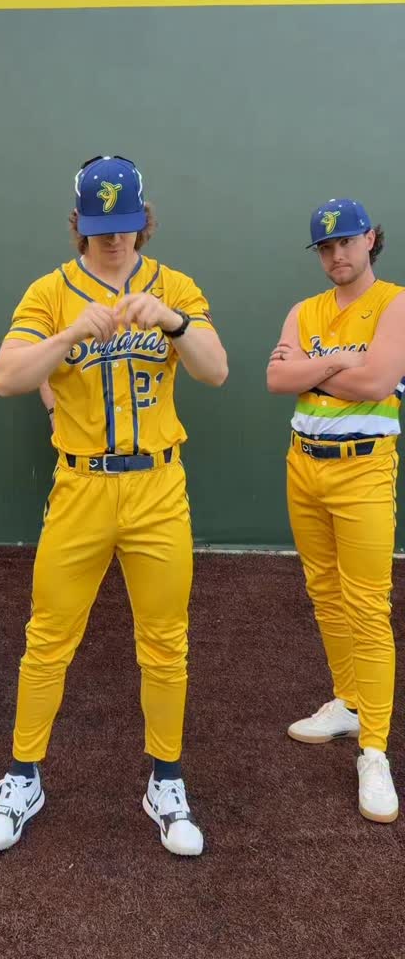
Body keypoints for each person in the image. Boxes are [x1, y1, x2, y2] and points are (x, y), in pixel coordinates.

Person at [0, 154, 228, 856]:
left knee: (166, 640)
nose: (113, 237)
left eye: (124, 223)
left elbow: (216, 370)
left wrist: (174, 322)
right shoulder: (50, 291)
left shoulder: (175, 285)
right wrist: (66, 337)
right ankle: (23, 775)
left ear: (144, 221)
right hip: (82, 485)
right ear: (77, 224)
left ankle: (166, 779)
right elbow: (6, 378)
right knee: (48, 636)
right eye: (98, 225)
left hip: (158, 486)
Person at [267, 198, 405, 823]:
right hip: (304, 463)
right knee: (323, 590)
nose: (336, 255)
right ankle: (348, 702)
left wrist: (309, 370)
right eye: (325, 247)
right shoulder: (304, 310)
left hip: (364, 467)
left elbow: (375, 384)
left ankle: (374, 749)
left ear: (370, 239)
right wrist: (338, 363)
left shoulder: (395, 303)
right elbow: (276, 380)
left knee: (367, 605)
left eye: (346, 242)